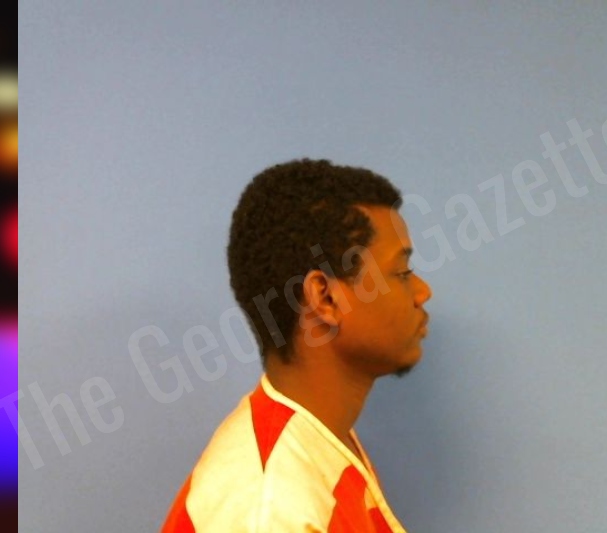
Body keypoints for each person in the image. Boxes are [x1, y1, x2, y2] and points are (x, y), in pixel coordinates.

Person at [162, 159, 433, 532]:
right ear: (325, 298)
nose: (422, 292)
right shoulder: (272, 509)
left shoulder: (317, 441)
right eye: (401, 273)